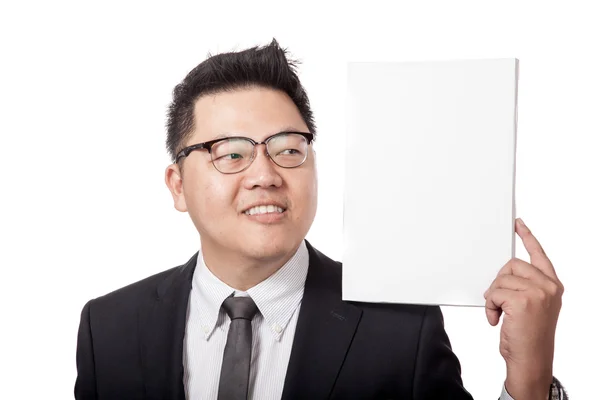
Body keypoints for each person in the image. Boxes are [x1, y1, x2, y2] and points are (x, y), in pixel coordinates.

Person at [75, 39, 567, 400]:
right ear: (178, 185)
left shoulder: (401, 329)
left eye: (289, 149)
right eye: (231, 154)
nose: (265, 175)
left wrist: (528, 380)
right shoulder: (109, 328)